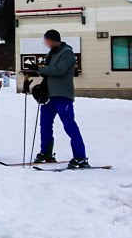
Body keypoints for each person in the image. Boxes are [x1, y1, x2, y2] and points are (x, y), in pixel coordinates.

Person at [32, 29, 89, 168]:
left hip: (62, 95)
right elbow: (48, 73)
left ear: (52, 40)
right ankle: (46, 152)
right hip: (49, 96)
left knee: (69, 125)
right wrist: (36, 72)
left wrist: (39, 68)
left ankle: (80, 157)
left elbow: (59, 71)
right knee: (45, 125)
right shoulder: (51, 53)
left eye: (46, 40)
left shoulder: (67, 53)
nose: (45, 43)